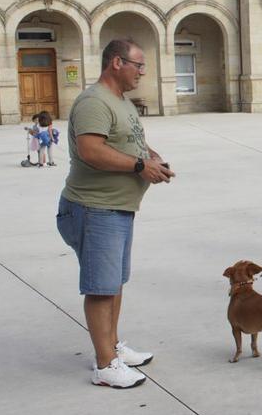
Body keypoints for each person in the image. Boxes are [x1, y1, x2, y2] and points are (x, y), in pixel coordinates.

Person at [56, 38, 174, 389]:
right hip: (94, 208)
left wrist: (150, 157)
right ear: (116, 63)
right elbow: (91, 150)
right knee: (101, 288)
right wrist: (140, 166)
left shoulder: (121, 102)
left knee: (114, 282)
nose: (142, 72)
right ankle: (105, 365)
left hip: (116, 208)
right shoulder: (94, 102)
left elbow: (131, 140)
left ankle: (111, 346)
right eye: (138, 65)